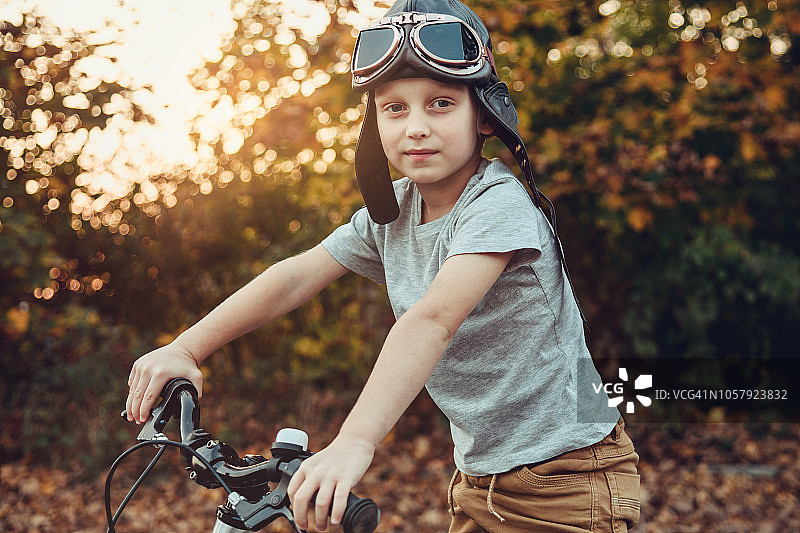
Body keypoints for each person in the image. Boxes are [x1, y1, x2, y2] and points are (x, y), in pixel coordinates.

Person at [125, 1, 641, 531]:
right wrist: (187, 347)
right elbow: (296, 276)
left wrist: (354, 441)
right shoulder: (391, 214)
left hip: (568, 479)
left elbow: (432, 320)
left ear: (484, 114)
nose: (415, 127)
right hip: (480, 477)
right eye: (394, 108)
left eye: (439, 103)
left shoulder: (497, 204)